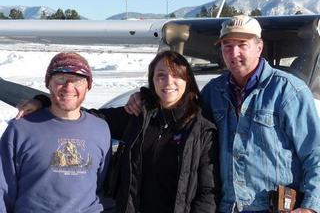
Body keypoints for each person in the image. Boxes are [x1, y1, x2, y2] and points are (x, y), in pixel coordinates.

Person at [124, 15, 320, 213]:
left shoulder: (289, 91)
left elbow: (315, 152)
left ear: (259, 47)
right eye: (227, 45)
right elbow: (179, 109)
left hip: (274, 208)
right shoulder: (213, 91)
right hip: (227, 207)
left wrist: (310, 206)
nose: (234, 53)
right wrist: (146, 97)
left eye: (242, 44)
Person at [14, 51, 221, 213]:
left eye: (177, 76)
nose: (168, 82)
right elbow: (80, 114)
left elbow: (208, 192)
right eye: (161, 75)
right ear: (152, 80)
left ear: (188, 81)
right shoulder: (136, 117)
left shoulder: (202, 130)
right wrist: (43, 102)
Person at [0, 52, 111, 212]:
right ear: (48, 83)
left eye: (78, 80)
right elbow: (3, 188)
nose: (68, 87)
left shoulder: (101, 129)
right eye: (60, 79)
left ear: (88, 86)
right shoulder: (20, 129)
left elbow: (99, 183)